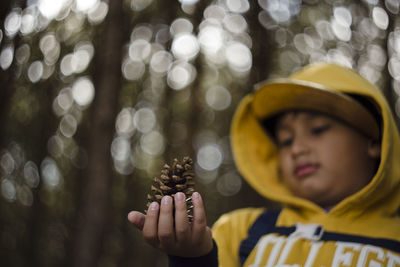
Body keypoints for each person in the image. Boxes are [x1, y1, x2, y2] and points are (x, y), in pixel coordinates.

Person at [127, 63, 400, 266]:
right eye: (285, 140)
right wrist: (193, 258)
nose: (297, 149)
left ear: (374, 141)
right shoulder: (241, 229)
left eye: (318, 130)